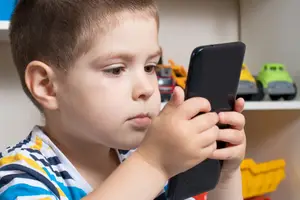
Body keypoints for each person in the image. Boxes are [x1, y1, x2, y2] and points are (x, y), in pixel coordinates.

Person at [0, 0, 246, 199]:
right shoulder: (19, 176)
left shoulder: (143, 158)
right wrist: (153, 164)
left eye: (150, 67)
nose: (146, 89)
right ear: (47, 86)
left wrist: (225, 175)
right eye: (116, 69)